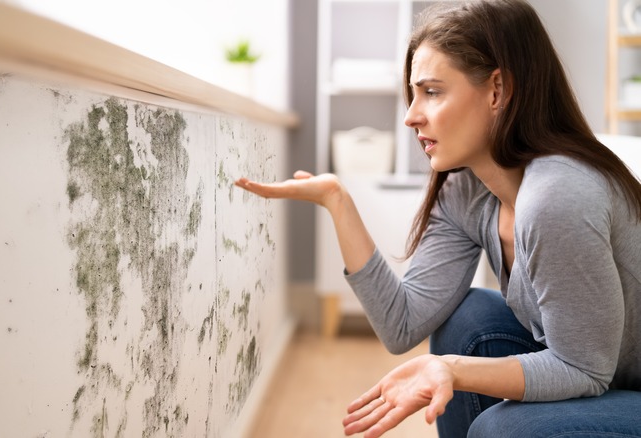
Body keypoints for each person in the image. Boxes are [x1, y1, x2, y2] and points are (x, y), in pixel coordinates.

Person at [235, 0, 641, 437]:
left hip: (613, 380)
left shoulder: (558, 197)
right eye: (413, 94)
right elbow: (402, 323)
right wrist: (338, 202)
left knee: (501, 430)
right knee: (466, 317)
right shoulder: (467, 191)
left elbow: (584, 369)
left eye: (432, 91)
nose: (411, 116)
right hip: (605, 372)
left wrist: (452, 369)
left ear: (497, 91)